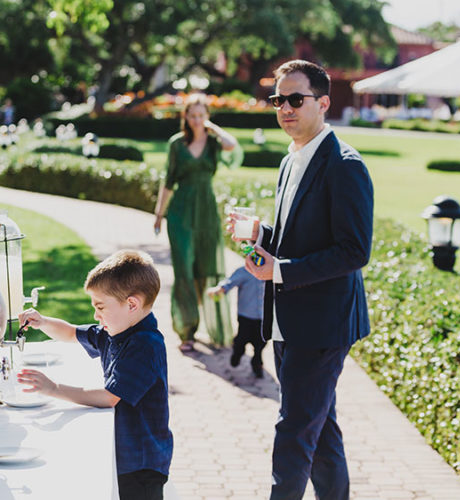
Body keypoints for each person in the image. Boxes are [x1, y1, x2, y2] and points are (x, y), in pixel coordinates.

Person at [228, 60, 374, 499]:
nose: (285, 108)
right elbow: (299, 236)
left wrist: (280, 270)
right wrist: (261, 233)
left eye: (296, 99)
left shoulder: (345, 165)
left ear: (323, 103)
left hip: (323, 324)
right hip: (287, 318)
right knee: (319, 430)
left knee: (294, 429)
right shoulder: (290, 160)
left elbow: (354, 251)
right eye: (279, 100)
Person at [16, 250, 173, 500]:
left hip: (140, 463)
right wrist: (42, 322)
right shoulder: (115, 331)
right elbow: (71, 333)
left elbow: (109, 397)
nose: (95, 316)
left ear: (132, 305)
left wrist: (54, 388)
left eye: (100, 307)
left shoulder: (145, 345)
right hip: (126, 456)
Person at [153, 93, 242, 351]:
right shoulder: (177, 144)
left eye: (201, 115)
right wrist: (159, 214)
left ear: (207, 116)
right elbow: (169, 180)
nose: (196, 120)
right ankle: (187, 331)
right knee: (184, 270)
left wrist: (212, 128)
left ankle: (215, 327)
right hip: (180, 213)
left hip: (206, 213)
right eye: (192, 115)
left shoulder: (214, 143)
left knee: (208, 268)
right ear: (185, 117)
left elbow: (232, 146)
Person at [206, 266, 266, 377]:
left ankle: (257, 362)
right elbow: (230, 282)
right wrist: (220, 289)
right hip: (246, 316)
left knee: (260, 343)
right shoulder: (245, 271)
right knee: (241, 340)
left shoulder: (271, 270)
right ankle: (238, 352)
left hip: (263, 317)